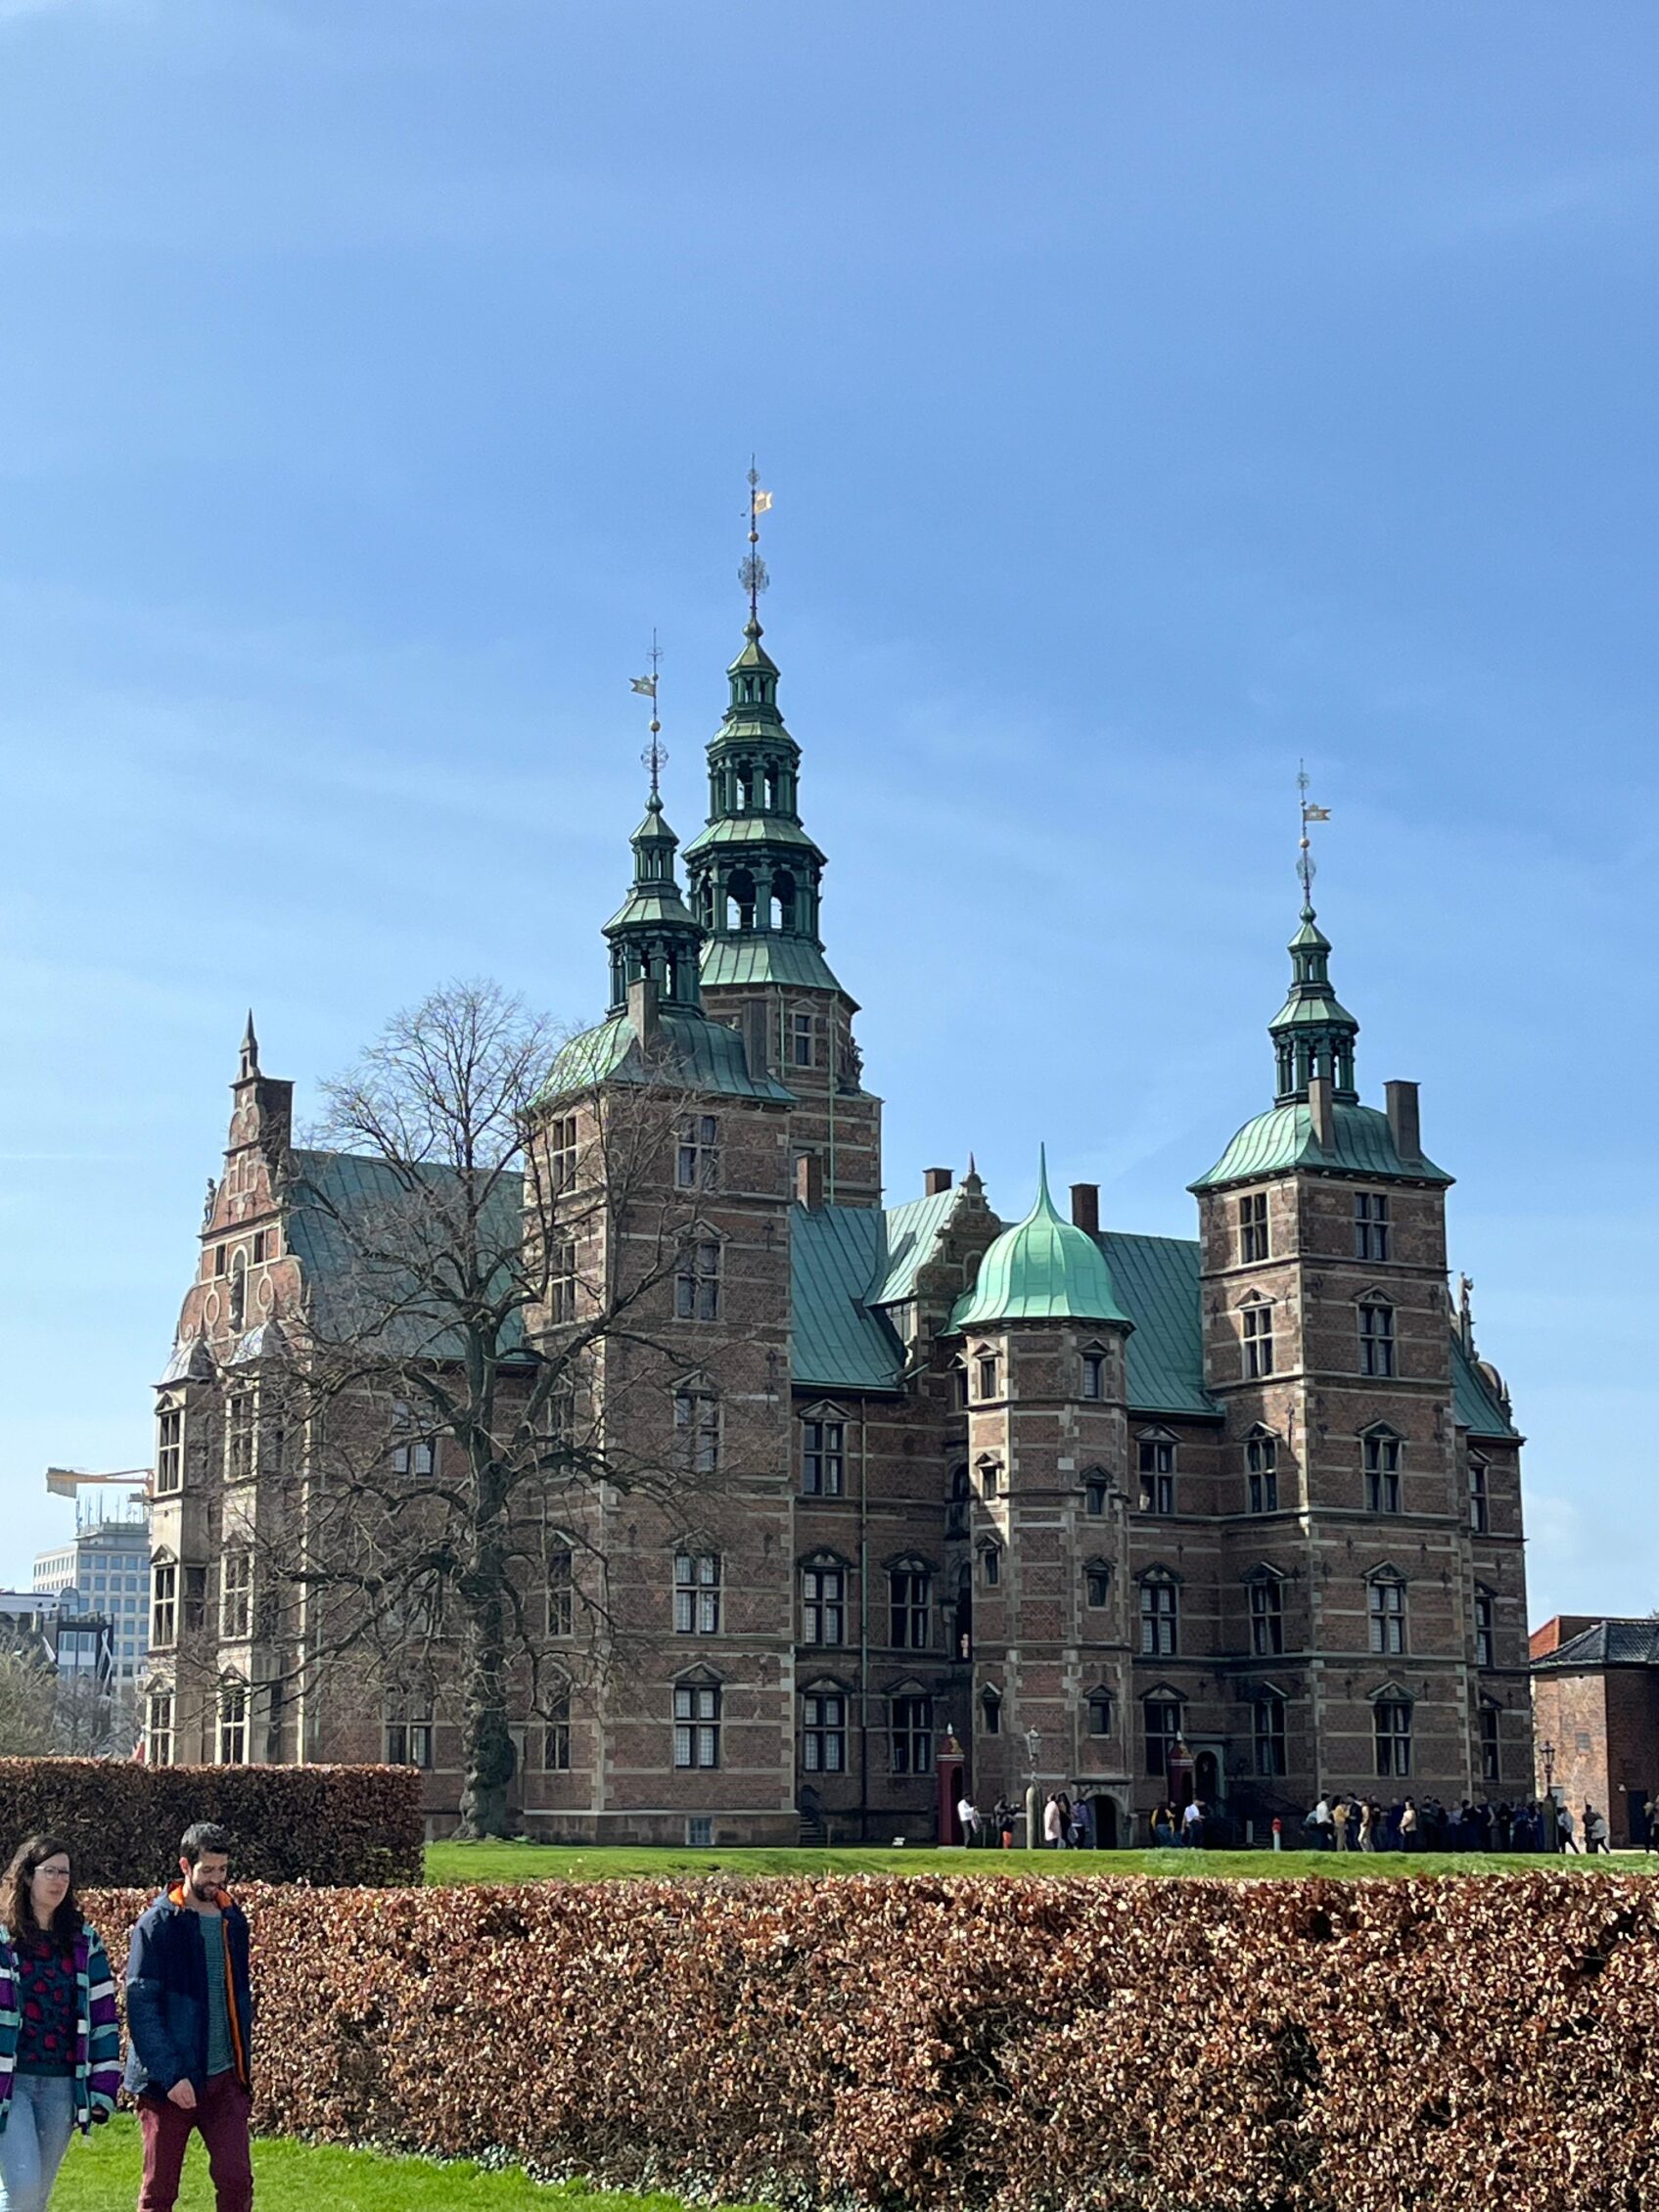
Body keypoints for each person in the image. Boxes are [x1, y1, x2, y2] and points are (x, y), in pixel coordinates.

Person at [125, 1821, 254, 2212]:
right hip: (168, 2084)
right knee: (159, 2192)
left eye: (223, 1870)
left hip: (224, 2080)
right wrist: (171, 2075)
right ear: (185, 1865)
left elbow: (237, 2000)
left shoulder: (234, 1921)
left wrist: (240, 2074)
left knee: (237, 2183)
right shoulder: (156, 1926)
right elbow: (142, 2007)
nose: (216, 1879)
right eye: (208, 1870)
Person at [0, 1835, 121, 2212]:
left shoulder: (83, 1942)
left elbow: (103, 2016)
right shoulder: (4, 1940)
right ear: (27, 1877)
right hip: (10, 2085)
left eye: (65, 1873)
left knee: (36, 2197)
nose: (58, 1881)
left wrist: (103, 2088)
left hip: (62, 2085)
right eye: (49, 1871)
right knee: (22, 2188)